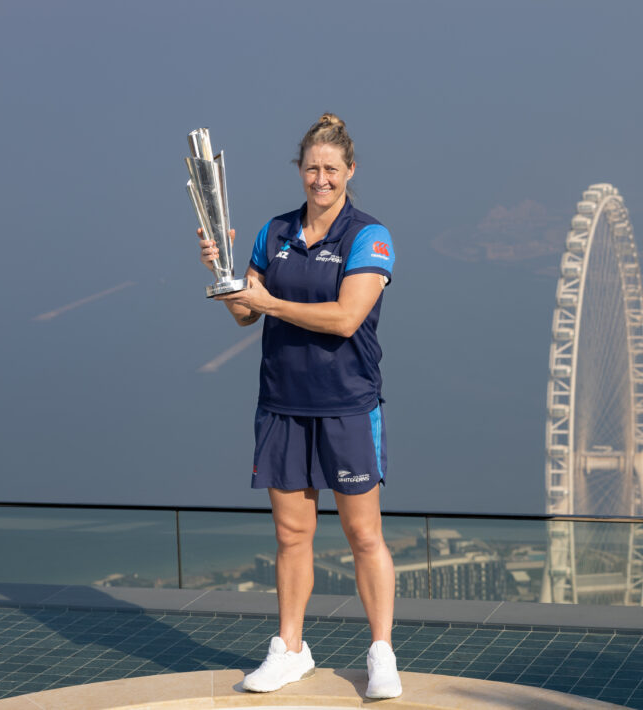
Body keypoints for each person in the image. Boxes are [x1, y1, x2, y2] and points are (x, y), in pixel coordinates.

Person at [196, 113, 401, 699]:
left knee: (365, 536)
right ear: (300, 170)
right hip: (282, 404)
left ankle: (381, 652)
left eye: (331, 169)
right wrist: (221, 271)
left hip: (348, 405)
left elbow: (345, 318)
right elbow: (244, 312)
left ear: (349, 171)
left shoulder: (369, 236)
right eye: (312, 168)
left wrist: (270, 300)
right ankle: (290, 649)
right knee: (291, 536)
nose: (321, 179)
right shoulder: (274, 231)